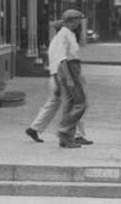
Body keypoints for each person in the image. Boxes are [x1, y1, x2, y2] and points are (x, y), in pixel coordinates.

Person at [25, 17, 92, 146]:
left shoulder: (56, 40)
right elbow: (61, 61)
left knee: (54, 104)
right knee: (73, 104)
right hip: (60, 76)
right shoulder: (61, 40)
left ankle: (34, 128)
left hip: (56, 76)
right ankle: (76, 135)